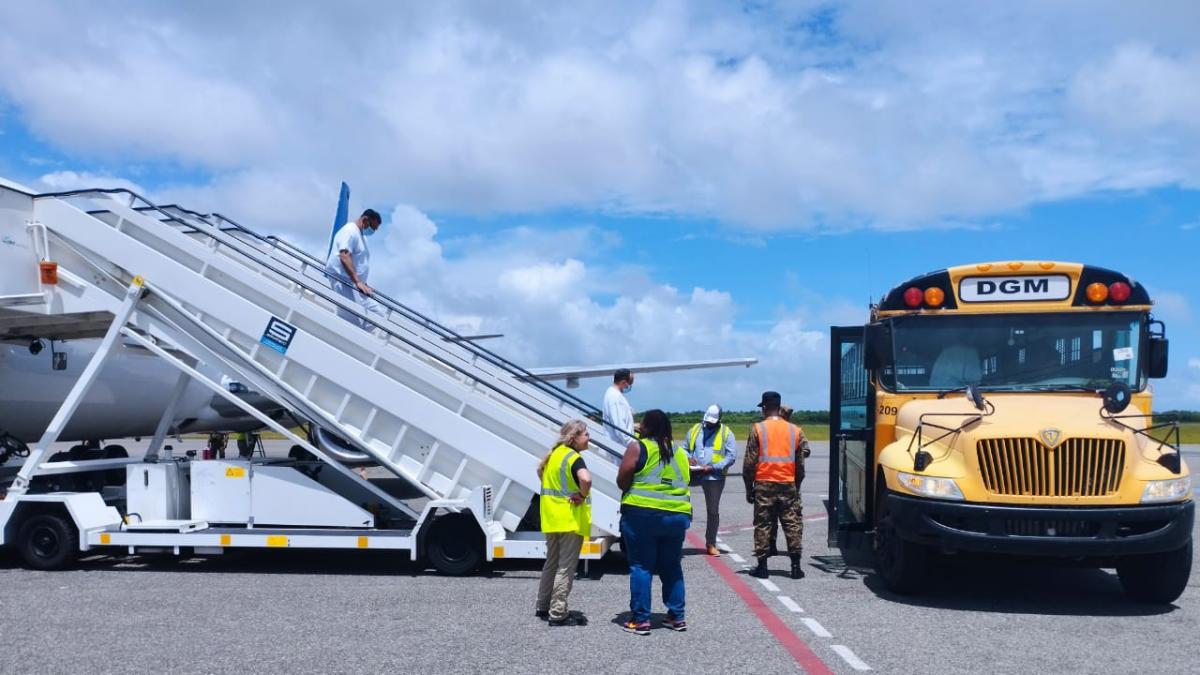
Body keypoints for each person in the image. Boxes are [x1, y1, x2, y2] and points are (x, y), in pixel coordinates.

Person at [617, 409, 690, 635]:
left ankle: (641, 620)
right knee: (671, 566)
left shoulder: (638, 447)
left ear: (646, 427)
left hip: (642, 515)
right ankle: (676, 616)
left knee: (641, 566)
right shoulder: (680, 452)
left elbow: (622, 480)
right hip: (677, 515)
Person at [743, 391, 810, 580]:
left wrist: (749, 487)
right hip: (788, 483)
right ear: (779, 408)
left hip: (764, 483)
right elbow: (800, 464)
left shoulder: (758, 429)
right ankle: (795, 567)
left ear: (764, 408)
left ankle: (762, 567)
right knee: (792, 523)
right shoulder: (795, 430)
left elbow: (749, 463)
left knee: (763, 524)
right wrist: (797, 484)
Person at [535, 420, 593, 627]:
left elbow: (540, 473)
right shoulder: (573, 457)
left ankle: (543, 605)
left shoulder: (554, 454)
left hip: (552, 517)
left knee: (551, 562)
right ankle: (558, 612)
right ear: (574, 437)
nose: (589, 438)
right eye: (586, 434)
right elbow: (586, 479)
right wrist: (582, 495)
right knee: (565, 567)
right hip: (569, 518)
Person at [684, 404, 736, 556]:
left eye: (712, 422)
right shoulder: (695, 429)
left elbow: (731, 456)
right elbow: (685, 448)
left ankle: (711, 543)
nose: (709, 424)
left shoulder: (726, 433)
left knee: (712, 510)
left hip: (714, 475)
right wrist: (688, 458)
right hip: (693, 472)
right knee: (677, 497)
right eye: (707, 421)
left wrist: (713, 467)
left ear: (719, 420)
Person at [324, 208, 384, 330]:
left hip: (355, 285)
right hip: (343, 281)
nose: (372, 231)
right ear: (365, 220)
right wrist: (357, 281)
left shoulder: (362, 237)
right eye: (373, 228)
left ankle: (351, 334)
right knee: (353, 319)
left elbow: (358, 262)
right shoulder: (350, 231)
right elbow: (344, 255)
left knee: (378, 315)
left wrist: (363, 283)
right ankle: (342, 334)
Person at [602, 368, 635, 446]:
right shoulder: (615, 397)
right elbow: (619, 426)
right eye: (630, 383)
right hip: (620, 446)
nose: (629, 386)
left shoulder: (612, 394)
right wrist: (632, 444)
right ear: (623, 382)